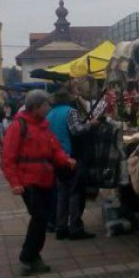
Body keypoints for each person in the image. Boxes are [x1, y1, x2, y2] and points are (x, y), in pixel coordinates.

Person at [1, 90, 76, 276]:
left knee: (42, 219)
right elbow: (7, 157)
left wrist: (65, 160)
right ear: (35, 107)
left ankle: (33, 256)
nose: (48, 108)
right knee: (40, 218)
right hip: (29, 182)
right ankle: (28, 257)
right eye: (45, 105)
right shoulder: (18, 126)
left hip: (46, 179)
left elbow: (54, 149)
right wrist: (15, 183)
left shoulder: (43, 125)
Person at [46, 90, 95, 240]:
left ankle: (60, 227)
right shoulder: (70, 111)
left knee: (62, 193)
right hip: (72, 157)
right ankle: (75, 227)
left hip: (56, 158)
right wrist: (91, 125)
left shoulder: (50, 114)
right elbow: (76, 130)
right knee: (75, 193)